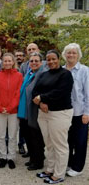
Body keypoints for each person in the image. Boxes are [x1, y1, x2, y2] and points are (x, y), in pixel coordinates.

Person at [32, 50, 74, 184]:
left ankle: (59, 174)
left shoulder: (65, 74)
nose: (51, 62)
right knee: (48, 144)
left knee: (60, 144)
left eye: (53, 59)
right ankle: (50, 169)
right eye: (48, 60)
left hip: (60, 113)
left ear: (58, 59)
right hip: (43, 113)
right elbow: (35, 91)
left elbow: (61, 92)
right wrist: (42, 103)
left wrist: (43, 98)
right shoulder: (44, 74)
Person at [62, 43, 89, 177]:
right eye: (69, 52)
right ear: (64, 55)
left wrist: (87, 112)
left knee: (80, 141)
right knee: (67, 140)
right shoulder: (61, 70)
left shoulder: (84, 70)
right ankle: (69, 163)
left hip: (79, 112)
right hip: (64, 112)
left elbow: (88, 92)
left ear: (78, 55)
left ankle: (78, 167)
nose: (71, 55)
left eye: (74, 53)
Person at [17, 52, 46, 171]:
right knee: (28, 136)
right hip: (24, 111)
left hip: (34, 111)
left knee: (36, 138)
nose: (33, 63)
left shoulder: (42, 74)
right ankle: (32, 158)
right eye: (31, 61)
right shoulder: (29, 73)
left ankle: (38, 161)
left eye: (36, 61)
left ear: (41, 62)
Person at [0, 53, 23, 169]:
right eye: (5, 61)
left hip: (13, 110)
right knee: (0, 135)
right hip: (0, 110)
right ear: (2, 62)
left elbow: (18, 93)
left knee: (12, 135)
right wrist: (0, 107)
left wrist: (10, 107)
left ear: (13, 62)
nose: (7, 63)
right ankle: (2, 156)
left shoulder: (19, 75)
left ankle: (11, 157)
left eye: (9, 61)